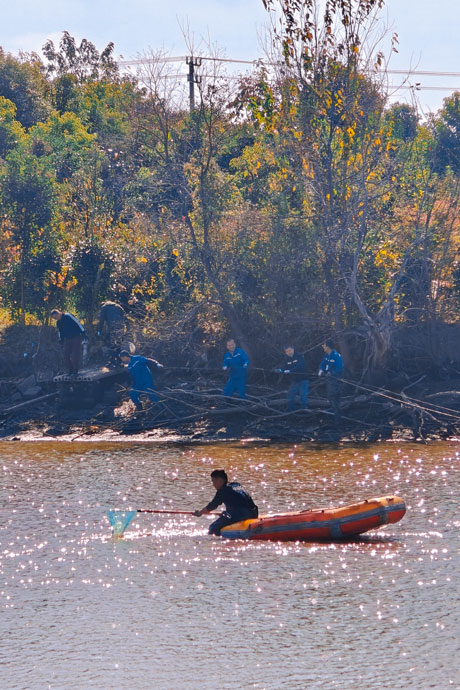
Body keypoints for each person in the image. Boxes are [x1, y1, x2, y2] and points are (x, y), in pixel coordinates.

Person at [194, 469, 258, 536]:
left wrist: (200, 513)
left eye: (214, 481)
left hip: (241, 516)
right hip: (253, 513)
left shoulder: (222, 491)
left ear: (220, 480)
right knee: (225, 514)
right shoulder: (236, 485)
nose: (213, 484)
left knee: (212, 528)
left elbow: (212, 506)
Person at [50, 309, 86, 376]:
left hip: (76, 336)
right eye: (54, 318)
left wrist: (83, 333)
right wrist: (61, 340)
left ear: (58, 313)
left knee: (75, 354)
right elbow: (60, 332)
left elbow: (78, 323)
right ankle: (70, 370)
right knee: (66, 355)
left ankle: (75, 371)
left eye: (55, 317)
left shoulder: (68, 316)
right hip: (67, 338)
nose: (55, 319)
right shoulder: (58, 322)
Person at [318, 338, 344, 425]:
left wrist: (331, 373)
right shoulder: (326, 355)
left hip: (336, 382)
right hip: (329, 382)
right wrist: (320, 370)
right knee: (330, 397)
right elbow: (322, 364)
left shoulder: (337, 356)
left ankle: (338, 421)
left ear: (328, 347)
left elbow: (339, 368)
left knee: (335, 399)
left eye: (324, 345)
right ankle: (331, 417)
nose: (323, 347)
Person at [276, 345, 309, 411]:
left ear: (293, 349)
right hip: (295, 380)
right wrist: (280, 370)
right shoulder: (287, 358)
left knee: (303, 395)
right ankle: (291, 409)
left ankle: (304, 410)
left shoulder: (299, 356)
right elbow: (285, 366)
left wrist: (290, 371)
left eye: (290, 350)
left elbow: (300, 367)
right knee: (291, 394)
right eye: (287, 351)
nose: (289, 352)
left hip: (303, 379)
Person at [97, 301, 126, 366]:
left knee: (112, 345)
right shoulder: (118, 306)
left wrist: (99, 331)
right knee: (118, 345)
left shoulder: (104, 308)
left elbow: (101, 320)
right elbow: (124, 317)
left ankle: (113, 362)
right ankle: (119, 361)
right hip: (120, 328)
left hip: (113, 328)